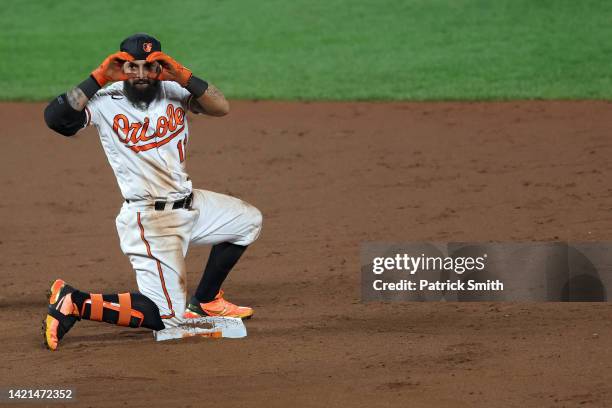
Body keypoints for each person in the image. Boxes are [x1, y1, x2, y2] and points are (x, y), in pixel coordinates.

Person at [42, 33, 262, 351]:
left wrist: (182, 74)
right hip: (151, 219)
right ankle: (75, 302)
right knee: (167, 318)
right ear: (122, 65)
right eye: (134, 66)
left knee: (248, 221)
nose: (142, 74)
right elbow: (56, 119)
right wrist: (98, 77)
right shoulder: (105, 101)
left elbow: (221, 107)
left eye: (151, 66)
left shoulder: (174, 89)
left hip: (189, 204)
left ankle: (207, 300)